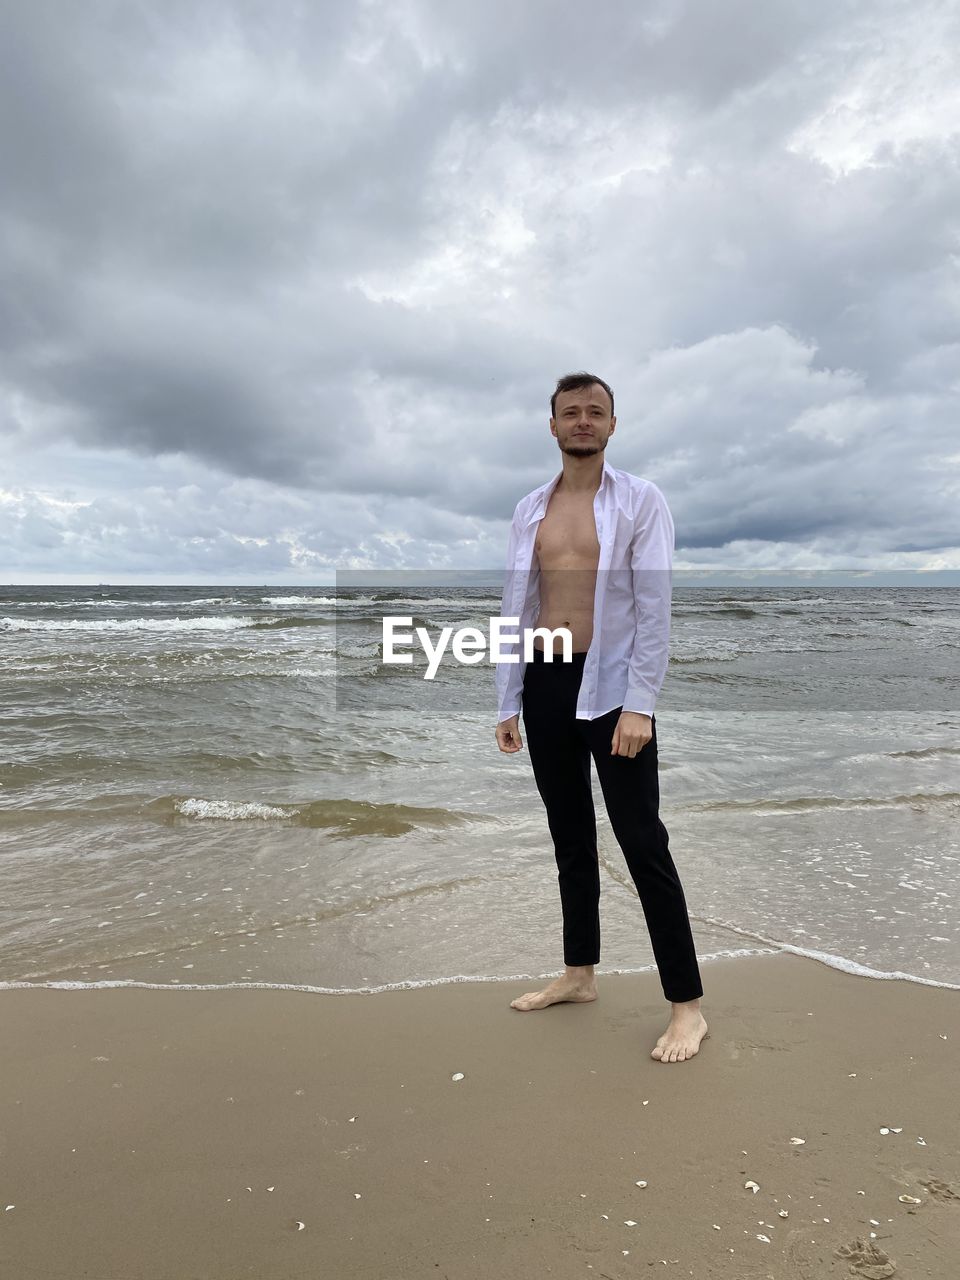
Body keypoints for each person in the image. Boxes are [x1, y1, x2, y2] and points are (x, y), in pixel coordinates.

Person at [494, 372, 708, 1064]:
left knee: (643, 841)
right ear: (551, 426)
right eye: (570, 412)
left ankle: (687, 1008)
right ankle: (579, 974)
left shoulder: (641, 501)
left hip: (613, 686)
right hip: (546, 682)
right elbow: (517, 607)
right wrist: (508, 698)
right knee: (569, 838)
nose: (582, 421)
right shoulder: (531, 508)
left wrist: (642, 703)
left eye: (595, 412)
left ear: (612, 425)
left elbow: (655, 607)